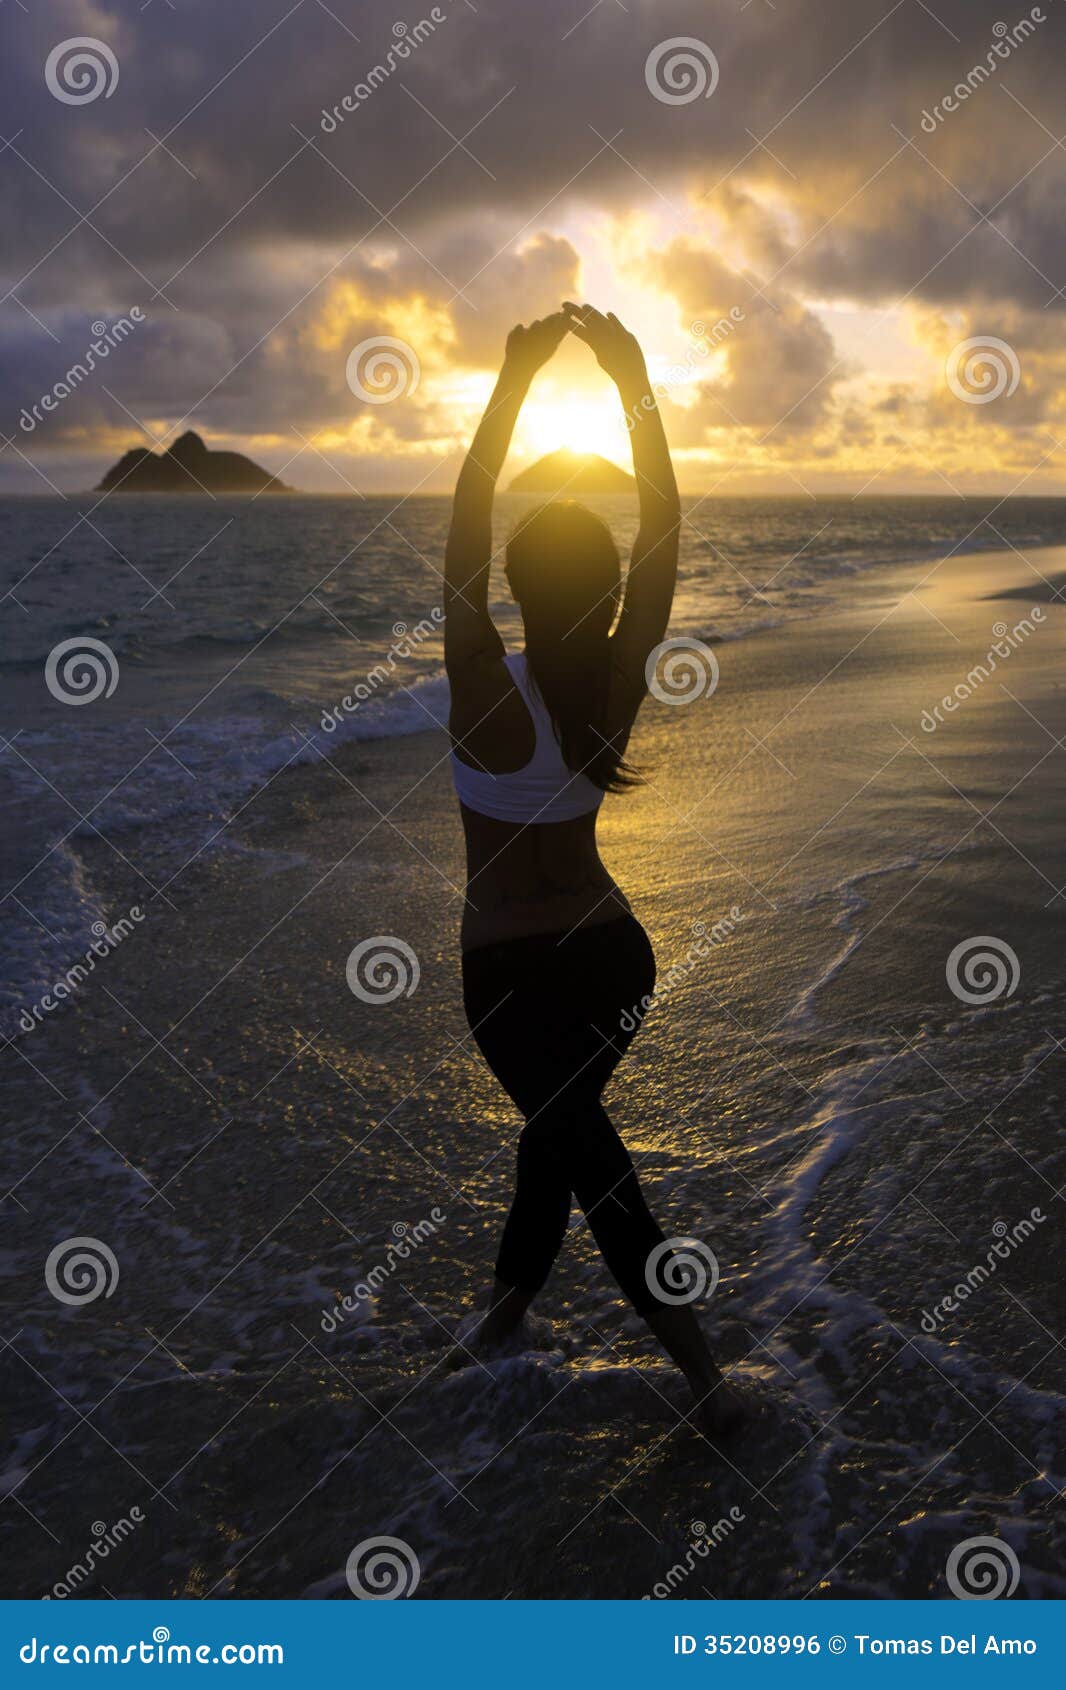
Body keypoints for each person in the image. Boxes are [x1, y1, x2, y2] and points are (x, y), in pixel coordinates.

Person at [444, 302, 742, 1436]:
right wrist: (633, 382)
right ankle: (507, 1310)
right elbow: (664, 530)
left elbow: (467, 514)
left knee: (591, 1159)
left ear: (517, 583)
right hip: (613, 956)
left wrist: (514, 382)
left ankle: (703, 1378)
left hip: (508, 975)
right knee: (560, 1137)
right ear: (605, 591)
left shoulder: (475, 670)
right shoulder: (612, 682)